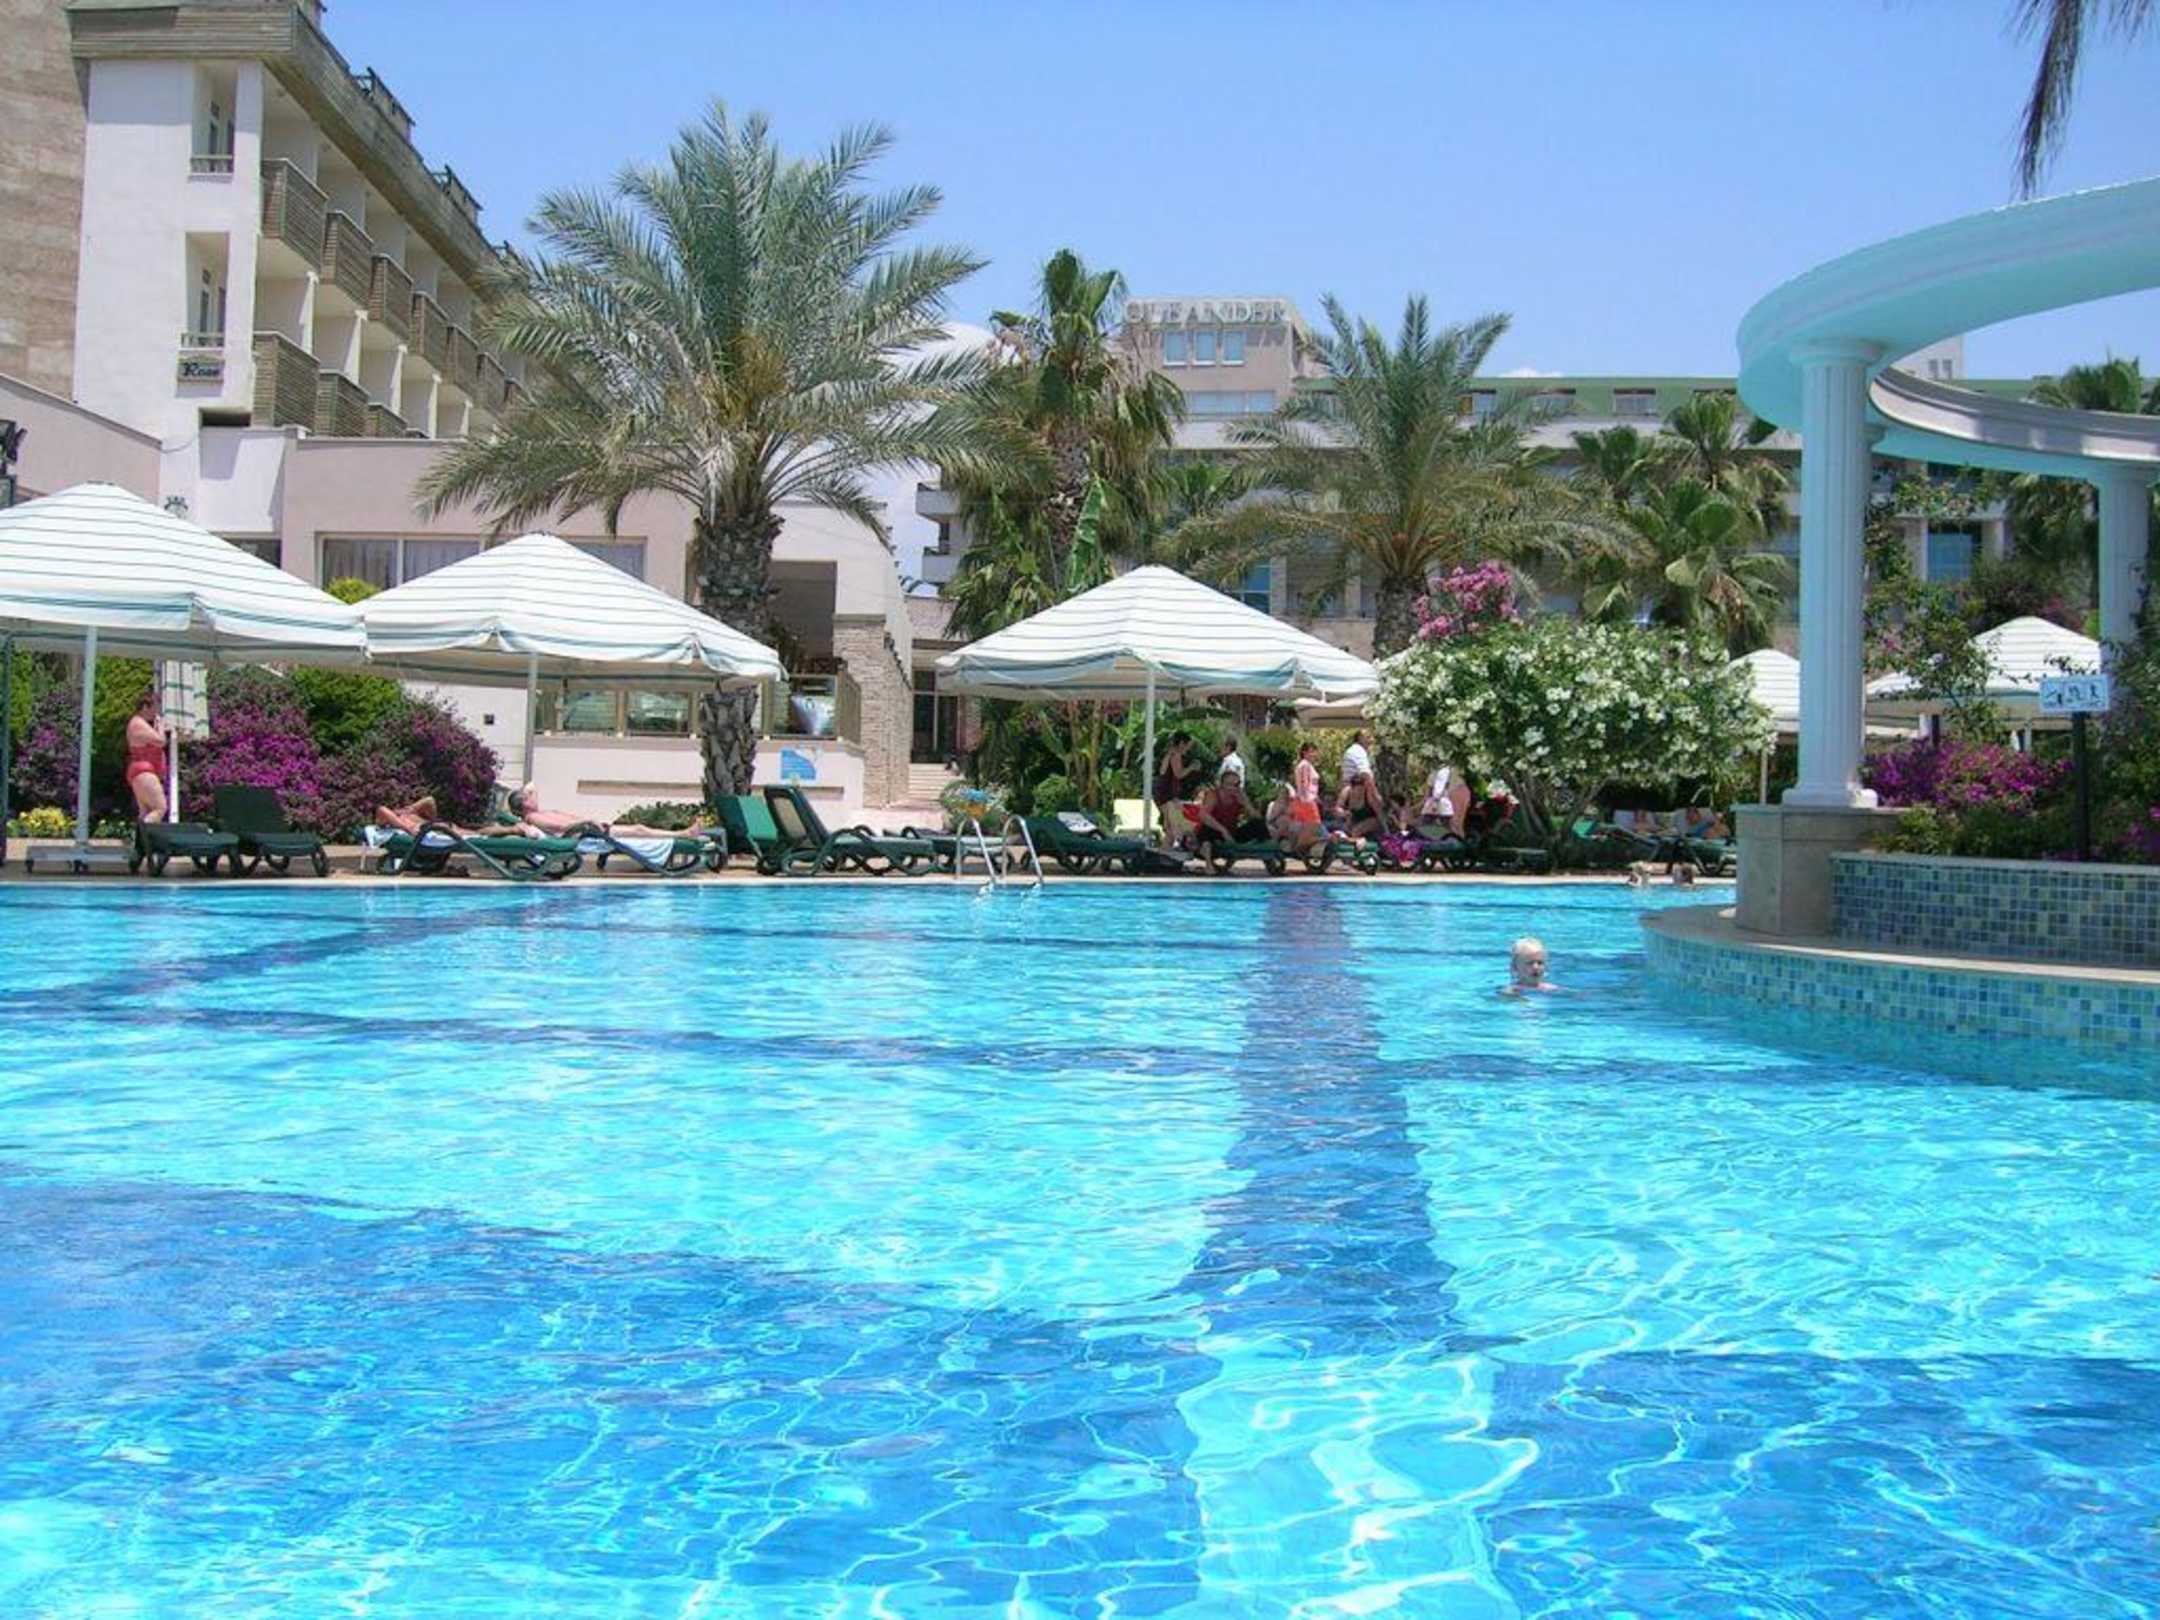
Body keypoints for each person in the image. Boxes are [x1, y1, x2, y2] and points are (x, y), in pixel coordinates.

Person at [123, 689, 169, 823]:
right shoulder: (138, 723)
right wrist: (161, 726)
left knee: (146, 812)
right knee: (160, 808)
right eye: (154, 708)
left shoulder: (139, 724)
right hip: (144, 771)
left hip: (141, 772)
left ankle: (142, 835)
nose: (155, 713)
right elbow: (161, 741)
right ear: (144, 707)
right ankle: (144, 831)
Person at [1193, 767, 1261, 845]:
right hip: (1215, 830)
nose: (1233, 788)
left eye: (1236, 785)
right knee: (1208, 830)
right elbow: (1202, 815)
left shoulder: (1239, 795)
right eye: (1229, 784)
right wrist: (1223, 830)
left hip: (1231, 832)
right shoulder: (1213, 795)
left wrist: (1247, 804)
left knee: (1258, 825)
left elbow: (1257, 817)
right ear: (1222, 785)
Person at [1152, 735, 1200, 844]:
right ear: (1182, 743)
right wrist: (1191, 768)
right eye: (1188, 745)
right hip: (1167, 792)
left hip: (1162, 791)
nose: (1189, 748)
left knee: (1169, 823)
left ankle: (1165, 848)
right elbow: (1178, 774)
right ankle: (1166, 849)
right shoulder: (1176, 755)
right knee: (1171, 825)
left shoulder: (1169, 753)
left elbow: (1162, 771)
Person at [1419, 760, 1471, 839]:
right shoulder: (1449, 769)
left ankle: (1454, 844)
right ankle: (1462, 843)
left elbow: (1426, 799)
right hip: (1464, 790)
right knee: (1459, 824)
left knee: (1453, 823)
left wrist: (1413, 808)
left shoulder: (1432, 776)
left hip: (1454, 792)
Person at [1338, 770, 1389, 841]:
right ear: (1352, 788)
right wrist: (1343, 813)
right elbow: (1338, 807)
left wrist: (1386, 830)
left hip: (1372, 820)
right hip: (1355, 819)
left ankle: (1361, 840)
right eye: (1358, 790)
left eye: (1362, 790)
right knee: (1344, 830)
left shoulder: (1368, 795)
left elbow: (1379, 812)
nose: (1360, 792)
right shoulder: (1346, 792)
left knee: (1355, 831)